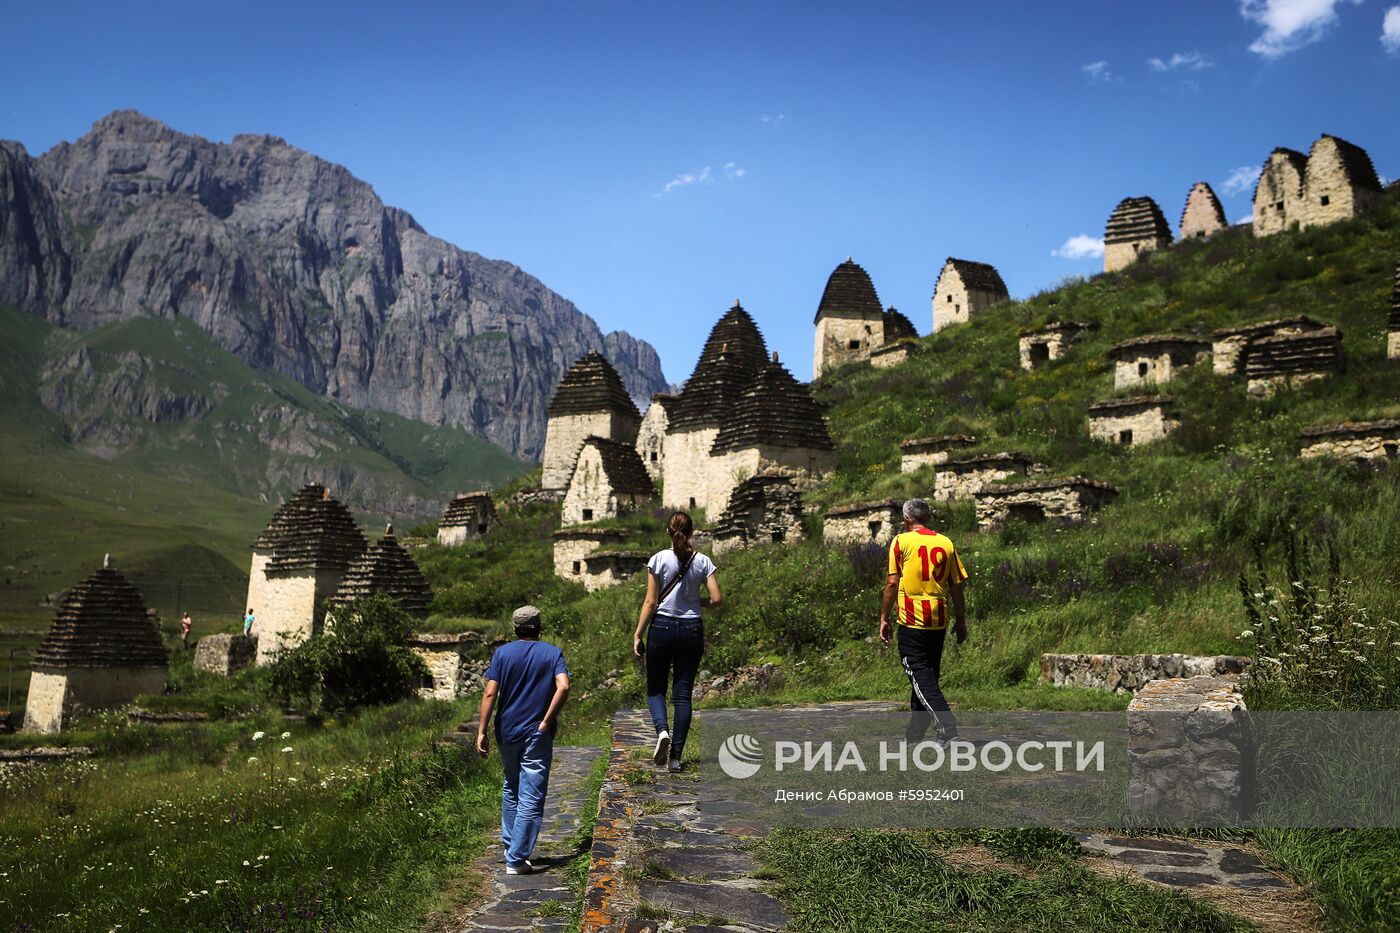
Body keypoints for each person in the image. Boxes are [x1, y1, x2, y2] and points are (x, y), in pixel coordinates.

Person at [475, 605, 570, 875]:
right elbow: (563, 686)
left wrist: (481, 730)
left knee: (511, 784)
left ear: (515, 629)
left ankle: (510, 845)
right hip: (536, 733)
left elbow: (490, 694)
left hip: (507, 730)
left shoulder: (502, 654)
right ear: (539, 627)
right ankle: (516, 859)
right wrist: (547, 719)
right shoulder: (552, 653)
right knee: (532, 793)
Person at [633, 511, 721, 772]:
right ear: (691, 532)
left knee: (655, 689)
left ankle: (662, 731)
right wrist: (697, 603)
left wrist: (638, 634)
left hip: (661, 627)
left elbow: (651, 602)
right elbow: (716, 599)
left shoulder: (658, 559)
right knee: (682, 696)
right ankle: (675, 758)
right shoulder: (703, 561)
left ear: (668, 532)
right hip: (692, 628)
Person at [879, 498, 968, 743]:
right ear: (928, 517)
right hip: (939, 620)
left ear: (906, 519)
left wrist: (884, 618)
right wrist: (961, 620)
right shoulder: (945, 543)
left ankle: (948, 729)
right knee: (926, 678)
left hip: (912, 620)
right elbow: (956, 585)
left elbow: (892, 583)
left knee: (921, 677)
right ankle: (915, 734)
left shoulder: (900, 542)